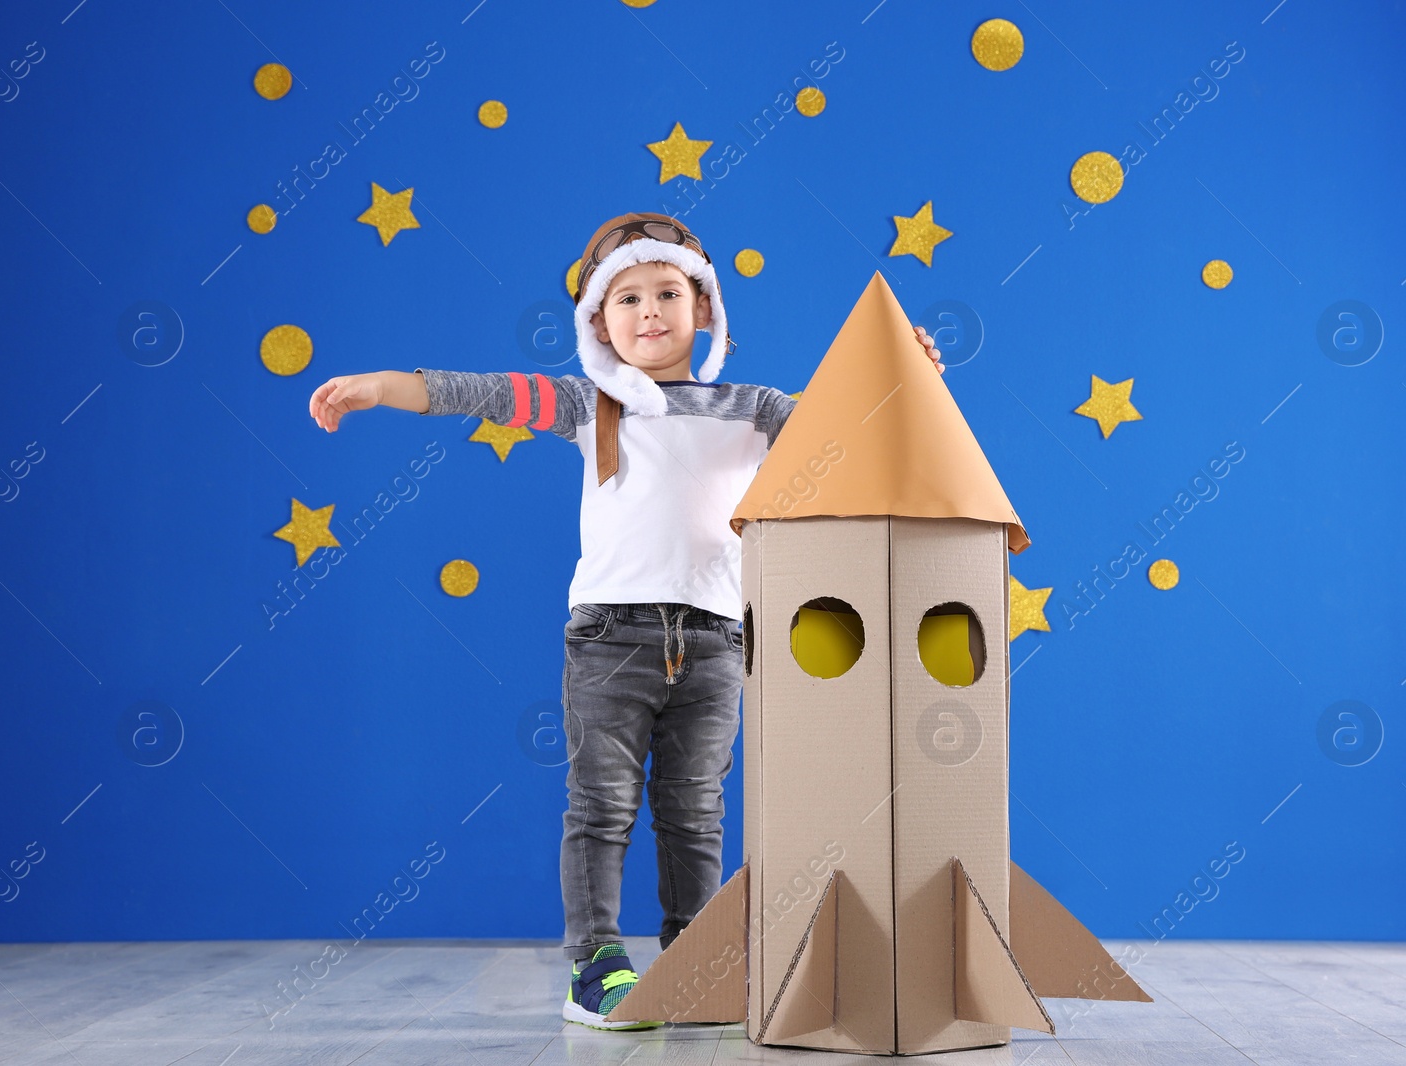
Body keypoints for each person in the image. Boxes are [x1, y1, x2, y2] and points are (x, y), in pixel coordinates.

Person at [307, 212, 944, 1030]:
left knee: (695, 811)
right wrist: (381, 387)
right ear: (598, 325)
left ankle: (698, 958)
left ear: (704, 308)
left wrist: (908, 374)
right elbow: (479, 392)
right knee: (601, 806)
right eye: (627, 298)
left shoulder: (755, 408)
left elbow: (852, 421)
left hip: (716, 640)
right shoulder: (588, 403)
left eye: (668, 292)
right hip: (610, 639)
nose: (650, 311)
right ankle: (595, 967)